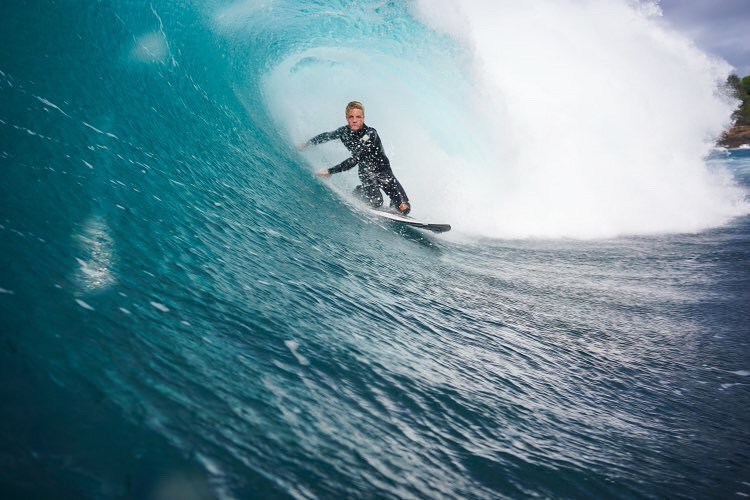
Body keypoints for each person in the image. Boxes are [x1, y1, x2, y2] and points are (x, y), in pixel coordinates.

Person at [298, 101, 411, 215]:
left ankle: (395, 203)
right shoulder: (344, 132)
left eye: (358, 117)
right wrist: (308, 143)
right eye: (351, 117)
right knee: (376, 203)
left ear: (363, 118)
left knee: (405, 208)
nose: (355, 120)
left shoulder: (370, 133)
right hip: (366, 172)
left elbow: (353, 160)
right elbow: (327, 136)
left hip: (384, 171)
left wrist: (330, 171)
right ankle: (359, 191)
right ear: (346, 118)